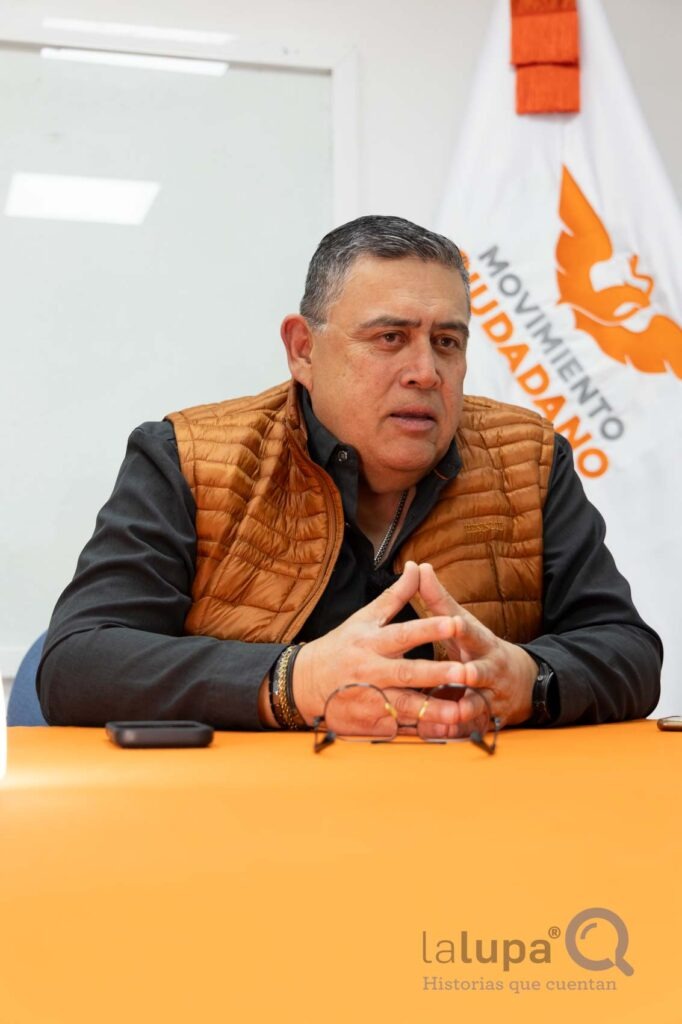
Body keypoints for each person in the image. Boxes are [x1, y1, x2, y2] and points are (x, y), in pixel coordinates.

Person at [37, 216, 662, 734]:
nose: (425, 372)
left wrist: (531, 680)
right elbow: (78, 664)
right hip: (250, 814)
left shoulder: (530, 459)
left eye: (447, 342)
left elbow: (628, 651)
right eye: (390, 337)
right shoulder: (188, 458)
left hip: (472, 810)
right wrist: (293, 683)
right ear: (303, 350)